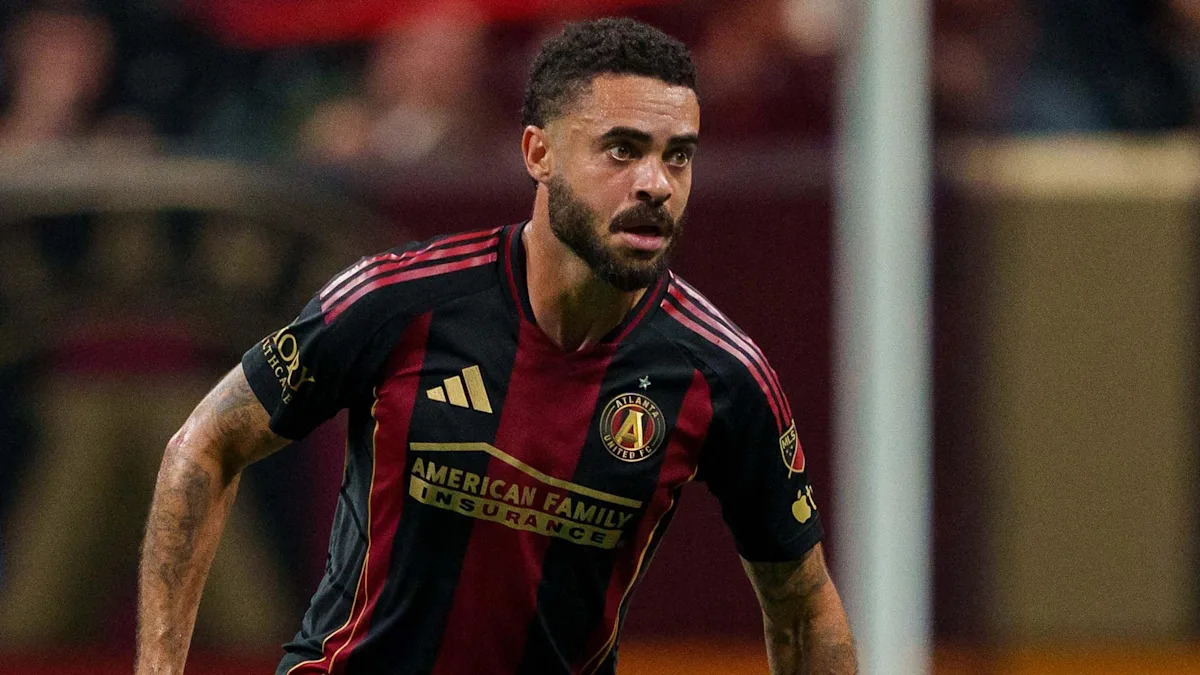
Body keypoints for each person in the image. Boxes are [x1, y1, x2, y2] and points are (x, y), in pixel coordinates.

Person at [137, 16, 856, 675]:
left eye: (678, 157)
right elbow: (204, 444)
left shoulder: (720, 374)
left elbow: (803, 605)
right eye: (622, 150)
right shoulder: (398, 300)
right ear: (539, 153)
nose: (656, 184)